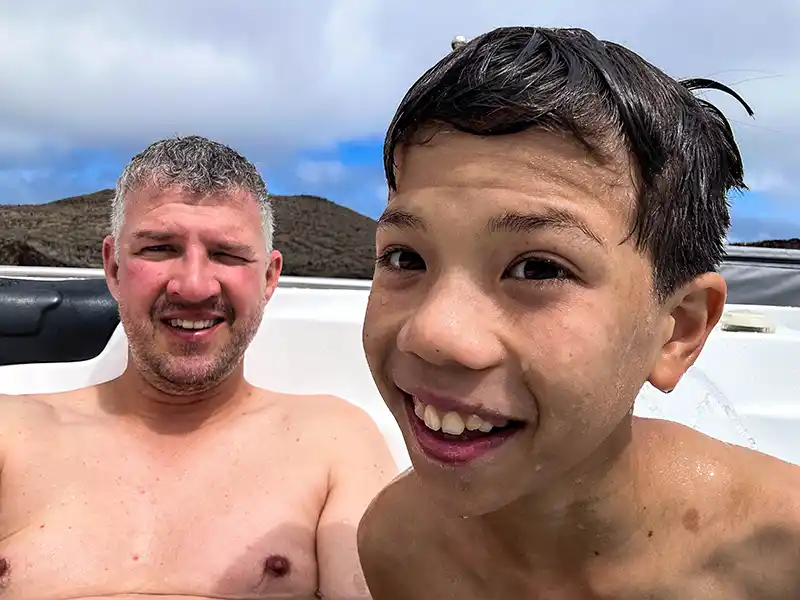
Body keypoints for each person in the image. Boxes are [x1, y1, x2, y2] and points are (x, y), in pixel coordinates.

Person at [357, 26, 800, 600]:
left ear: (678, 330)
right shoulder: (396, 547)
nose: (435, 334)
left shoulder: (780, 554)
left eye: (538, 269)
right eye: (405, 257)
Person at [0, 135, 397, 599]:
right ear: (113, 268)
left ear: (269, 278)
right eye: (159, 249)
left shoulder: (334, 442)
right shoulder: (12, 433)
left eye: (227, 254)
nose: (193, 286)